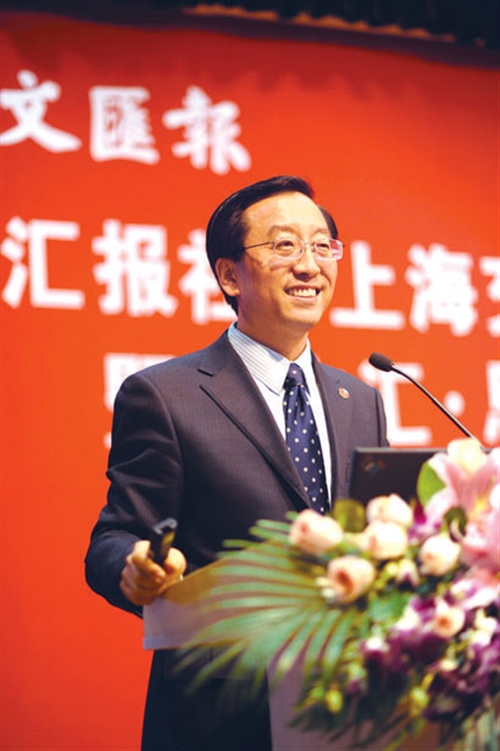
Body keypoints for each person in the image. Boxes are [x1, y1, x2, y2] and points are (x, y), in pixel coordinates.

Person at [85, 175, 389, 751]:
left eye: (321, 246)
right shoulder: (166, 395)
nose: (309, 265)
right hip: (223, 714)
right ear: (229, 276)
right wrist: (135, 568)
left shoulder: (362, 400)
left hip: (347, 704)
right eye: (284, 245)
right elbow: (114, 536)